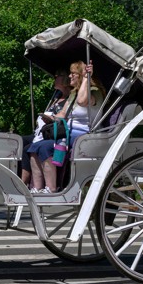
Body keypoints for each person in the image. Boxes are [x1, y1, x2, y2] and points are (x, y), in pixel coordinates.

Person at [27, 60, 106, 194]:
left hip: (84, 135)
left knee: (45, 147)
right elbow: (63, 114)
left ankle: (52, 188)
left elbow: (82, 101)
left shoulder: (95, 92)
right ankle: (37, 188)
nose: (70, 76)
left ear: (81, 75)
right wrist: (48, 118)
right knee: (34, 148)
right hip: (68, 132)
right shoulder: (73, 94)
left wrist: (87, 78)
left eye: (73, 73)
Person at [20, 69, 72, 185]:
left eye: (57, 75)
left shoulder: (70, 98)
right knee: (18, 141)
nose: (54, 78)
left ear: (65, 79)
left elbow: (64, 117)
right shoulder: (57, 96)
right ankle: (17, 176)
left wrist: (51, 118)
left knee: (27, 148)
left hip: (54, 131)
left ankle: (23, 183)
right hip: (43, 130)